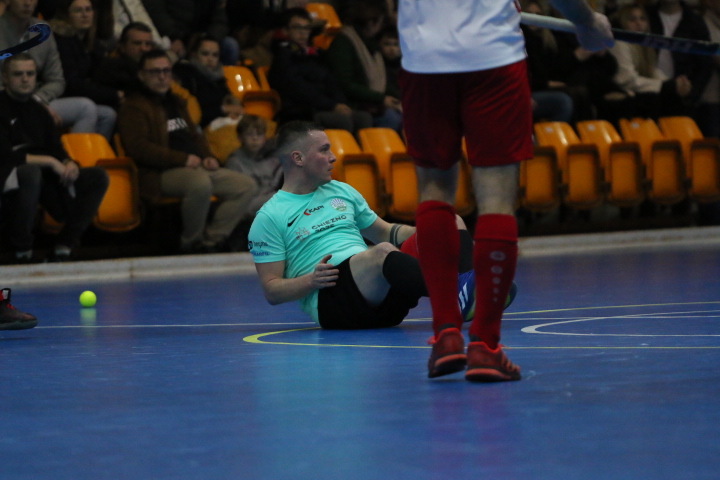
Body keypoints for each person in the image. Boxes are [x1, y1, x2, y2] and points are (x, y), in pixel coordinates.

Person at [396, 0, 613, 381]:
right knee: (496, 198)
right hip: (493, 56)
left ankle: (446, 335)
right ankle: (485, 345)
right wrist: (587, 21)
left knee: (434, 189)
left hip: (424, 58)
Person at [248, 121, 517, 330]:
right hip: (334, 302)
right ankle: (459, 293)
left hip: (384, 296)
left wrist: (433, 232)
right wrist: (311, 280)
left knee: (449, 222)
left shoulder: (341, 191)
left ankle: (470, 291)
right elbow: (272, 290)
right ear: (298, 158)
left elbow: (384, 231)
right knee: (382, 253)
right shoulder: (270, 216)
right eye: (324, 149)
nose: (333, 157)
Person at [117, 49, 258, 253]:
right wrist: (183, 159)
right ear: (141, 75)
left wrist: (208, 156)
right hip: (158, 173)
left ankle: (212, 241)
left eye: (166, 71)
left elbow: (195, 136)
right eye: (155, 72)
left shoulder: (176, 101)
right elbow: (139, 148)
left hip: (195, 166)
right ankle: (191, 242)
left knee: (245, 185)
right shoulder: (133, 107)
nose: (162, 76)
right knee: (199, 184)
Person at [0, 54, 109, 263]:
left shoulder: (39, 111)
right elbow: (5, 155)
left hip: (44, 177)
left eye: (30, 74)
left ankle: (64, 246)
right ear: (5, 78)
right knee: (30, 173)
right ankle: (22, 251)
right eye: (18, 74)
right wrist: (50, 162)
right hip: (9, 176)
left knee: (97, 177)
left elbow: (56, 148)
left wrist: (68, 163)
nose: (25, 79)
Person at [0, 0, 114, 139]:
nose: (27, 3)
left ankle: (75, 153)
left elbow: (57, 80)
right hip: (5, 102)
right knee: (86, 107)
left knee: (106, 114)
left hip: (37, 98)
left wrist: (37, 100)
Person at [268, 8, 372, 136]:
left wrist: (340, 104)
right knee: (342, 121)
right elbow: (298, 89)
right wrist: (332, 106)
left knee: (363, 118)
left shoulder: (316, 55)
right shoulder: (283, 57)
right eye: (297, 27)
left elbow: (331, 81)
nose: (303, 32)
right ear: (285, 30)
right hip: (302, 111)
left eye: (306, 28)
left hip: (324, 107)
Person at [325, 0, 403, 133]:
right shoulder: (343, 43)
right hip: (353, 103)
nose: (380, 27)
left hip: (372, 102)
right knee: (392, 118)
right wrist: (382, 99)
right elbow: (346, 84)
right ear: (371, 22)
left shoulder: (370, 44)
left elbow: (382, 83)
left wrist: (400, 98)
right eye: (380, 22)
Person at [50, 0, 119, 140]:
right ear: (66, 15)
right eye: (78, 10)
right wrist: (114, 94)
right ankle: (77, 154)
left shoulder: (93, 44)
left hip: (72, 98)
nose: (85, 14)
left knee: (108, 115)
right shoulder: (60, 41)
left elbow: (99, 77)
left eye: (88, 9)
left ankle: (94, 153)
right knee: (87, 107)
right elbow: (72, 85)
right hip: (53, 98)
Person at [609, 4, 692, 120]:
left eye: (642, 19)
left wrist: (676, 84)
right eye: (632, 19)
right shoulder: (619, 43)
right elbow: (627, 80)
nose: (639, 23)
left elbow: (653, 71)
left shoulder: (644, 45)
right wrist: (667, 86)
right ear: (622, 22)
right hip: (622, 99)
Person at [225, 114, 282, 251]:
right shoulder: (234, 162)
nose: (255, 139)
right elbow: (235, 200)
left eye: (259, 134)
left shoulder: (273, 160)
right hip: (246, 207)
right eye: (249, 134)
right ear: (240, 137)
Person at [142, 0, 240, 66]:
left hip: (201, 38)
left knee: (230, 46)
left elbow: (220, 20)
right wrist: (174, 36)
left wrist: (209, 38)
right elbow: (156, 13)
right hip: (169, 36)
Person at [173, 34, 232, 128]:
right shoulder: (184, 73)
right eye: (205, 54)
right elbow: (191, 112)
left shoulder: (219, 78)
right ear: (194, 53)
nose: (210, 59)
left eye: (215, 55)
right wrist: (223, 109)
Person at [93, 21, 155, 93]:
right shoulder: (110, 69)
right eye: (137, 43)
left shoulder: (159, 68)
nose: (144, 49)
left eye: (148, 44)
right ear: (122, 46)